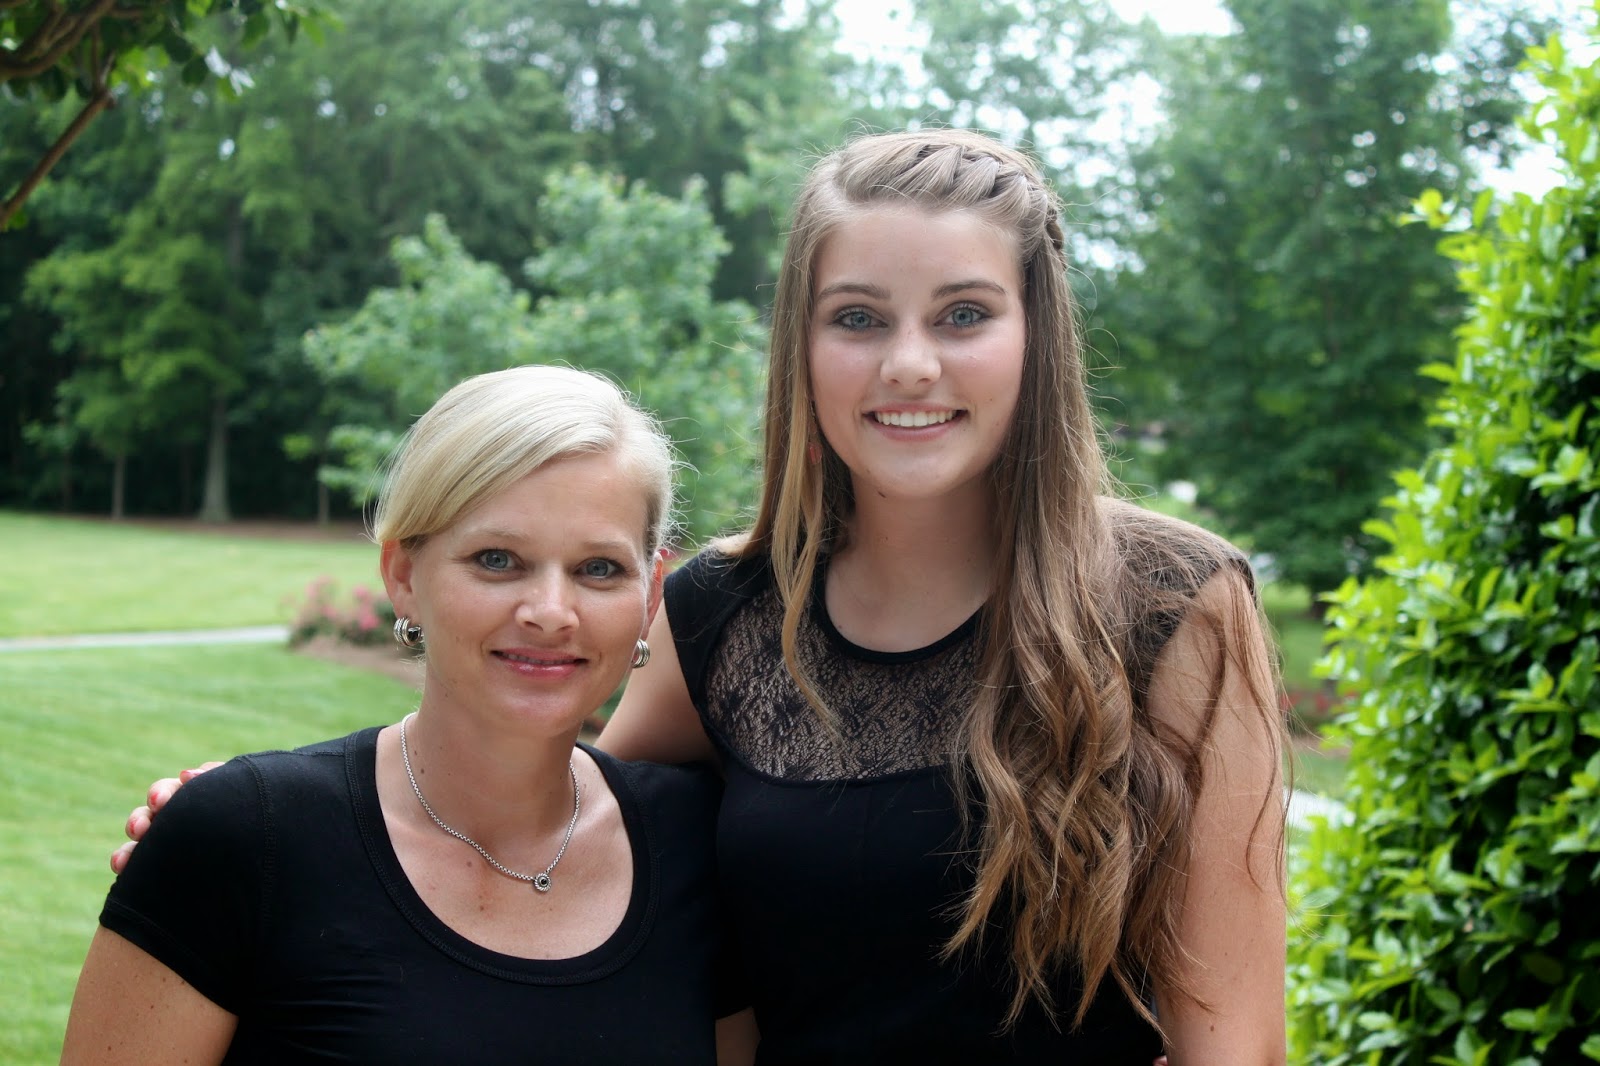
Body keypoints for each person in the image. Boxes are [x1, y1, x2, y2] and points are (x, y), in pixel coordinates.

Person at [116, 129, 1287, 1063]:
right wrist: (273, 825)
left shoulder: (1169, 604)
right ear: (801, 344)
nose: (909, 363)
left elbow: (1233, 1038)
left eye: (964, 314)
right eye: (858, 317)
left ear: (1037, 337)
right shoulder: (727, 611)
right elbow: (557, 826)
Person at [68, 365, 754, 1064]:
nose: (551, 612)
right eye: (497, 559)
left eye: (599, 569)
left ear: (650, 593)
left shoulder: (700, 850)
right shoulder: (247, 839)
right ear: (402, 576)